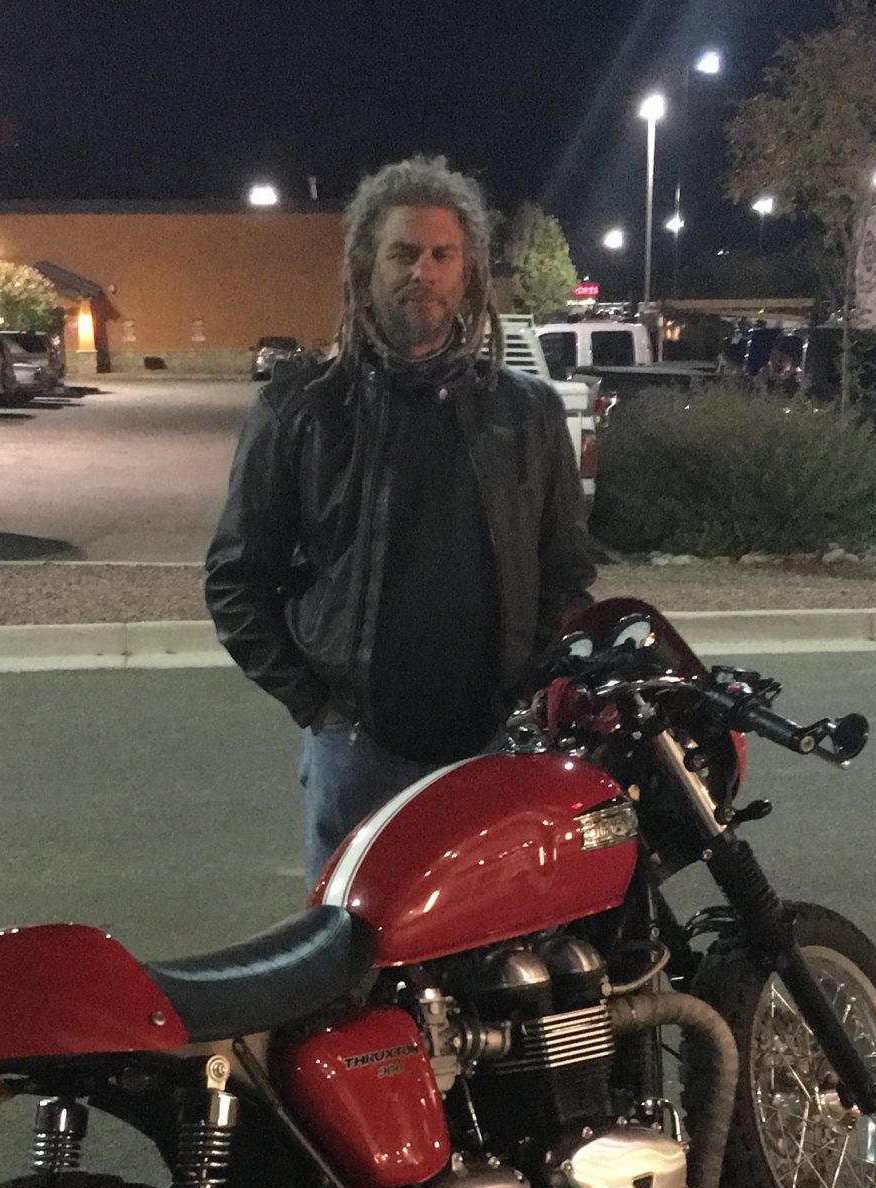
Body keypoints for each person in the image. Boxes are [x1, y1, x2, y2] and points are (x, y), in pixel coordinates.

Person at [205, 155, 595, 880]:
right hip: (357, 755)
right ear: (365, 266)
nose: (424, 271)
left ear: (468, 271)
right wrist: (315, 707)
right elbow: (235, 579)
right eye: (404, 253)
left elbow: (566, 570)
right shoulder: (303, 409)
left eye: (443, 254)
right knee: (350, 970)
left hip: (494, 748)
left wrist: (528, 691)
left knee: (495, 963)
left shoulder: (526, 414)